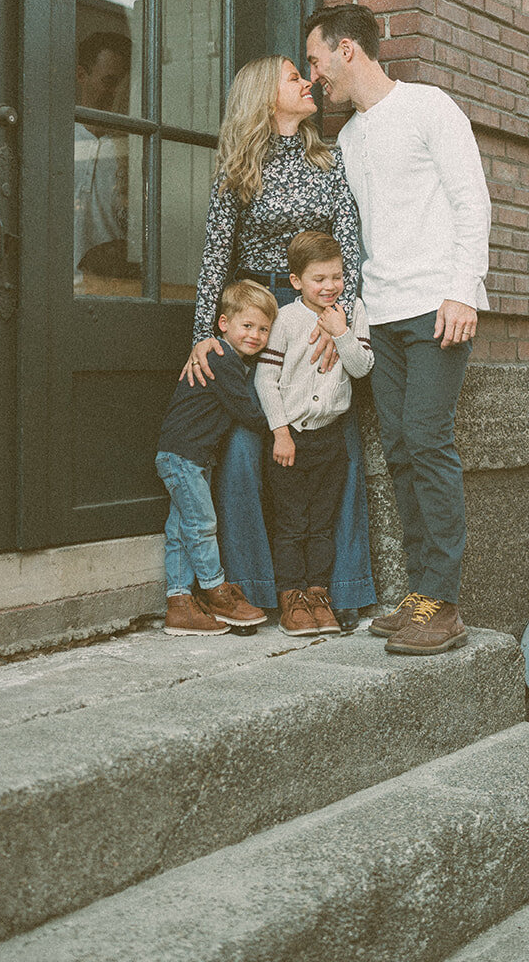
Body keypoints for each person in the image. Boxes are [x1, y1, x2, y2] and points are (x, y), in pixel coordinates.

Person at [305, 3, 491, 655]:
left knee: (425, 439)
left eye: (316, 57)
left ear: (347, 49)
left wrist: (461, 289)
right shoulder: (351, 138)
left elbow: (472, 199)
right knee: (402, 451)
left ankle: (442, 603)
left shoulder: (428, 107)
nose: (313, 72)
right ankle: (420, 593)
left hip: (437, 307)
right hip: (378, 316)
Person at [182, 55, 375, 627]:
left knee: (337, 446)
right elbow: (216, 256)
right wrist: (202, 337)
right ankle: (259, 588)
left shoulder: (326, 160)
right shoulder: (240, 171)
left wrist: (333, 314)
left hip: (318, 314)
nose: (308, 81)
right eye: (295, 77)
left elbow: (349, 245)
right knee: (246, 448)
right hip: (255, 318)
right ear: (267, 97)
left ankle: (335, 588)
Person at [255, 231, 374, 637]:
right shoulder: (287, 319)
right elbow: (265, 379)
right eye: (318, 279)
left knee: (322, 524)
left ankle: (319, 594)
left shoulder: (352, 311)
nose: (329, 287)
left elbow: (361, 368)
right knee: (291, 523)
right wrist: (280, 432)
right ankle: (292, 598)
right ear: (296, 282)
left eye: (337, 277)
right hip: (291, 439)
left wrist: (341, 332)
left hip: (330, 439)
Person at [155, 280, 278, 636]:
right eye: (247, 326)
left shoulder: (229, 359)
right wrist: (281, 426)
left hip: (188, 456)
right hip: (184, 457)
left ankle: (178, 604)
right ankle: (215, 590)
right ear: (223, 324)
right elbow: (247, 410)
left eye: (263, 329)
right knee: (203, 524)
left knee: (181, 528)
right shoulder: (221, 358)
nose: (255, 335)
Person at [74, 31, 134, 286]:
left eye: (122, 85)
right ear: (81, 75)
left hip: (115, 287)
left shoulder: (135, 150)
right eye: (109, 82)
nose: (116, 94)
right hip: (57, 288)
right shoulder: (54, 143)